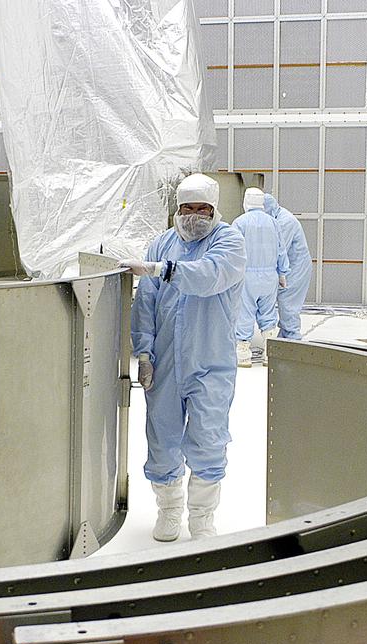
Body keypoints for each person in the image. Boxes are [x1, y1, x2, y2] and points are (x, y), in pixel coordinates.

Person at [122, 173, 246, 543]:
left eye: (201, 209)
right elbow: (146, 303)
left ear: (214, 209)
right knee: (162, 439)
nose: (194, 216)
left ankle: (202, 517)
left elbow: (210, 276)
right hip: (165, 362)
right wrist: (144, 352)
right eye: (187, 208)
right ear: (177, 209)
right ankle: (169, 510)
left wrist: (162, 269)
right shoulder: (162, 244)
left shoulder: (228, 240)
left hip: (211, 362)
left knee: (208, 438)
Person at [232, 187, 287, 367]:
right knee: (269, 313)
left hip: (246, 277)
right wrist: (283, 273)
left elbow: (232, 250)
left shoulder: (240, 222)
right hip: (270, 276)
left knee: (244, 312)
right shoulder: (273, 222)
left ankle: (243, 353)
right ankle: (269, 353)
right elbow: (281, 249)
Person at [264, 193, 313, 340]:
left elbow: (278, 249)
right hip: (287, 267)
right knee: (285, 302)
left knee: (288, 303)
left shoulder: (285, 222)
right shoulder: (275, 218)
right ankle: (285, 336)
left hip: (296, 268)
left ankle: (292, 338)